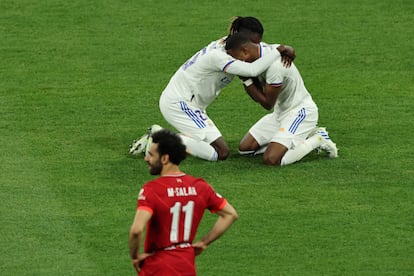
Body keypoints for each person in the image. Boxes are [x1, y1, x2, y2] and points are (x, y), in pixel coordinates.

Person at [129, 16, 295, 161]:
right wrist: (280, 50)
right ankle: (161, 138)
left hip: (193, 105)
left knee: (202, 145)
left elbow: (262, 51)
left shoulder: (232, 45)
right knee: (220, 152)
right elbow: (252, 70)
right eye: (253, 43)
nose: (254, 48)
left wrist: (287, 48)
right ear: (243, 40)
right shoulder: (219, 56)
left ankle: (167, 140)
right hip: (181, 103)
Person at [129, 129, 238, 275]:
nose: (146, 159)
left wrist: (135, 256)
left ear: (164, 159)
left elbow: (136, 230)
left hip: (158, 267)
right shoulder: (200, 187)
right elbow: (230, 214)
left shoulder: (152, 190)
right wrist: (204, 242)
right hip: (186, 265)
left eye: (151, 154)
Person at [225, 32, 338, 166]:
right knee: (245, 150)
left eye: (235, 58)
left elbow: (267, 103)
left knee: (272, 159)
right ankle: (293, 138)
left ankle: (318, 139)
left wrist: (245, 80)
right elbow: (257, 97)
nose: (235, 63)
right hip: (280, 114)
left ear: (245, 51)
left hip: (300, 112)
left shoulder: (275, 67)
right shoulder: (260, 53)